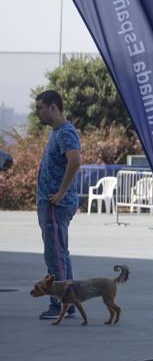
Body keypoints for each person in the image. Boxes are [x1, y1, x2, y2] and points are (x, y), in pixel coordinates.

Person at [34, 90, 80, 320]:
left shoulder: (65, 133)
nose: (37, 112)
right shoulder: (57, 133)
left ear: (54, 107)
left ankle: (61, 303)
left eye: (40, 107)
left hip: (55, 205)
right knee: (60, 253)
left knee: (55, 256)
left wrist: (61, 193)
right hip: (51, 203)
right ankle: (69, 301)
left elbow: (75, 160)